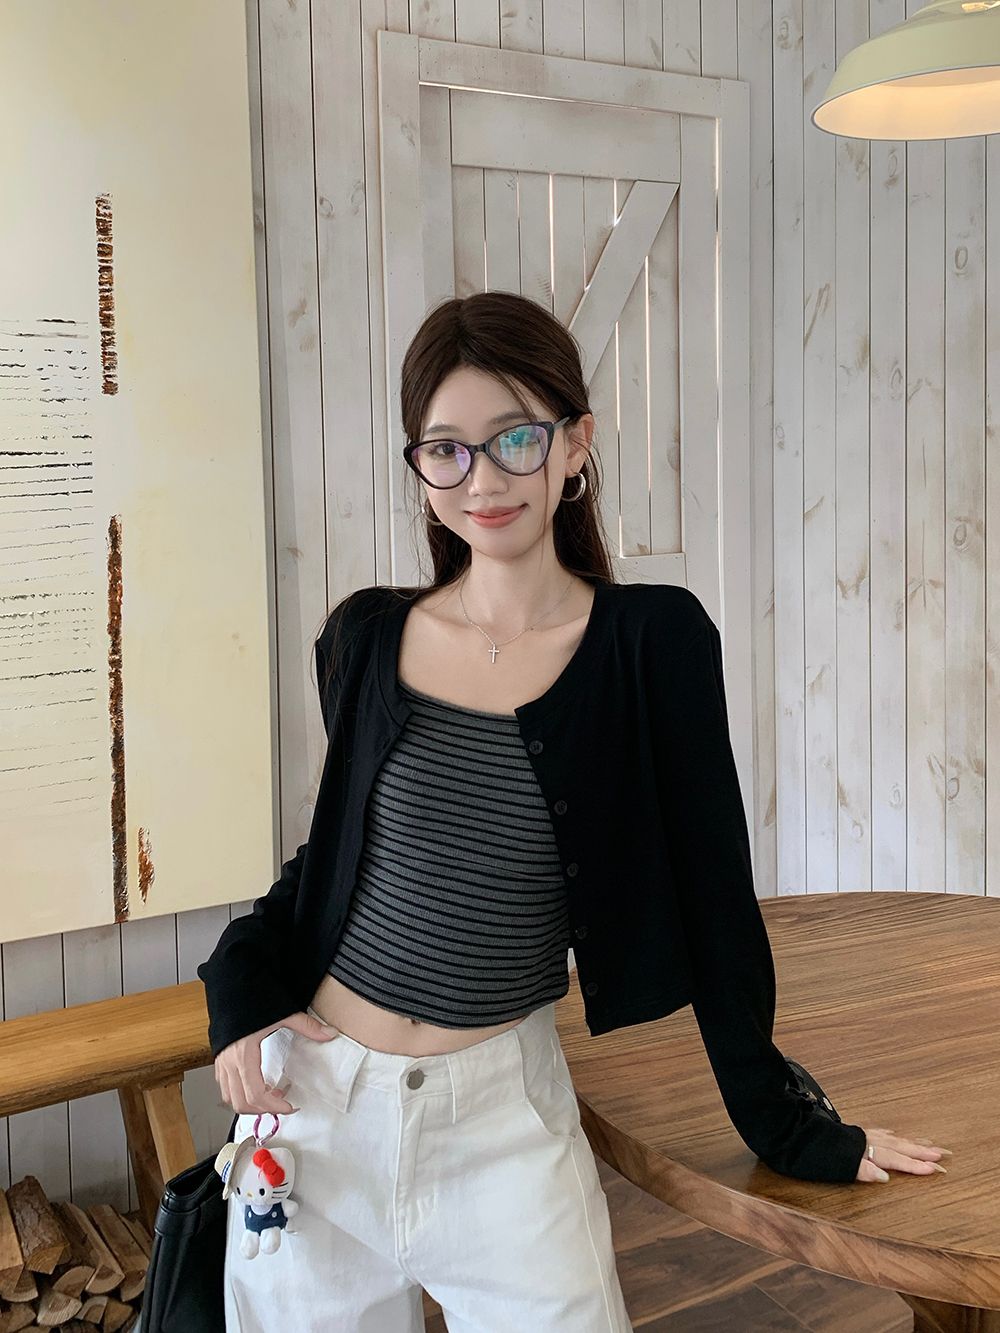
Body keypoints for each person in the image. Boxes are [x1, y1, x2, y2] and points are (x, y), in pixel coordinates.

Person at [198, 291, 950, 1332]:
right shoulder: (365, 637)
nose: (483, 480)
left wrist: (789, 1123)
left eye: (515, 438)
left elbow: (715, 899)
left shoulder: (652, 642)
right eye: (447, 450)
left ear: (575, 444)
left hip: (499, 1123)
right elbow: (338, 863)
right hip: (315, 1111)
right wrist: (239, 993)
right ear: (421, 468)